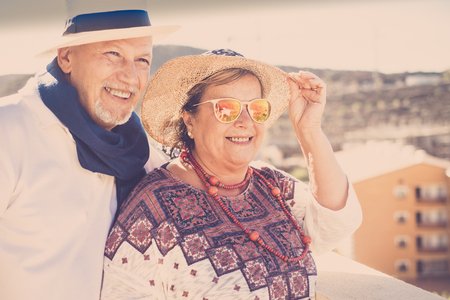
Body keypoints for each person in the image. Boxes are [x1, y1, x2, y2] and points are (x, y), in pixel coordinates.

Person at [101, 49, 363, 299]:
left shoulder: (271, 184)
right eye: (226, 108)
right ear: (190, 120)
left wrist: (309, 130)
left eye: (257, 109)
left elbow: (336, 223)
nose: (245, 121)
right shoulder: (152, 209)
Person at [0, 0, 179, 299]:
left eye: (142, 60)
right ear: (67, 56)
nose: (131, 77)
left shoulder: (143, 154)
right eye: (113, 53)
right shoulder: (9, 129)